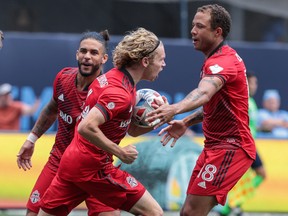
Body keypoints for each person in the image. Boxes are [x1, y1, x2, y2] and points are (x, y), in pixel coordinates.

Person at [37, 27, 166, 216]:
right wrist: (120, 152)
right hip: (93, 169)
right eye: (161, 59)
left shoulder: (116, 78)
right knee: (154, 212)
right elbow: (86, 127)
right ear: (145, 61)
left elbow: (132, 130)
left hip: (72, 163)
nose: (163, 64)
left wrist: (160, 118)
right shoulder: (120, 92)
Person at [146, 4, 256, 216]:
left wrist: (174, 109)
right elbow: (214, 106)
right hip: (214, 147)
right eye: (193, 25)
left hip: (231, 147)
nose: (193, 31)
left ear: (217, 32)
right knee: (188, 212)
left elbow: (204, 94)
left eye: (200, 26)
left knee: (191, 212)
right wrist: (186, 122)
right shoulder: (215, 59)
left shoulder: (223, 62)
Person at [17, 30, 120, 216]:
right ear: (77, 54)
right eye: (83, 51)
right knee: (32, 213)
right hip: (59, 161)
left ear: (104, 58)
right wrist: (31, 139)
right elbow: (51, 109)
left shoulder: (110, 91)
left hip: (94, 169)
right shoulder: (63, 78)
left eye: (94, 53)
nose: (87, 57)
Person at [218, 71, 267, 216]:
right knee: (260, 174)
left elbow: (250, 123)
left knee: (246, 176)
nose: (254, 86)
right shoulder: (242, 100)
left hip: (249, 144)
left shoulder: (251, 102)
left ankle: (232, 206)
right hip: (243, 144)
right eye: (252, 83)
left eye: (255, 83)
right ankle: (232, 205)